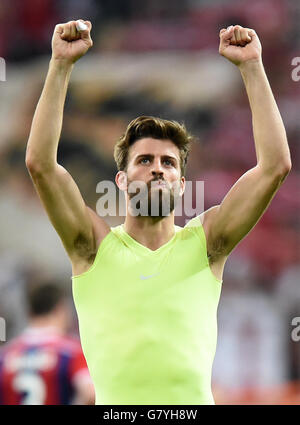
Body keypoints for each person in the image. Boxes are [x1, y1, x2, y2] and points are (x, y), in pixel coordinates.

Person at [25, 20, 291, 404]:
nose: (158, 168)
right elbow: (40, 165)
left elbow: (275, 166)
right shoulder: (92, 247)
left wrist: (252, 67)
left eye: (169, 162)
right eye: (145, 160)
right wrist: (60, 65)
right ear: (121, 180)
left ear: (182, 184)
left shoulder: (207, 243)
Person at [0, 282, 95, 405]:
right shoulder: (72, 352)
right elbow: (89, 393)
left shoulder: (5, 355)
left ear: (30, 312)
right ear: (61, 309)